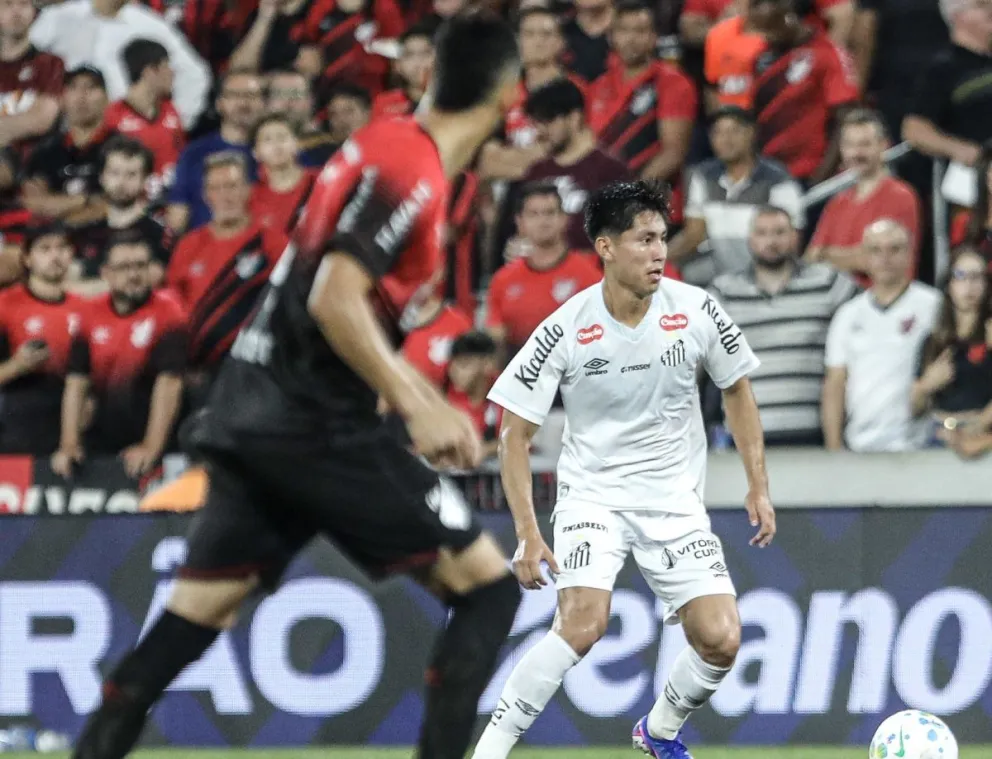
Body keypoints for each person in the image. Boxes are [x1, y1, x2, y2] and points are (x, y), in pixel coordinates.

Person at [70, 15, 523, 759]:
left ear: (428, 77)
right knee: (488, 590)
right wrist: (421, 398)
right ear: (508, 94)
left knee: (192, 620)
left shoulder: (378, 142)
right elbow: (333, 298)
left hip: (254, 410)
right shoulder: (411, 169)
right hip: (314, 422)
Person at [472, 180, 775, 759]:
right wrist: (528, 533)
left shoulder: (696, 308)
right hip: (594, 498)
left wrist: (758, 484)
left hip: (674, 502)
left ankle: (658, 733)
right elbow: (513, 432)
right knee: (583, 625)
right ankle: (489, 751)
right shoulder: (566, 325)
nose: (659, 251)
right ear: (606, 248)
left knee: (722, 639)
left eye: (662, 238)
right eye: (644, 240)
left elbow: (737, 389)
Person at [709, 206, 857, 445]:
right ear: (750, 239)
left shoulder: (828, 282)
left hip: (812, 432)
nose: (771, 241)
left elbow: (870, 319)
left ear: (795, 236)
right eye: (762, 233)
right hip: (744, 436)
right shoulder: (723, 292)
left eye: (779, 232)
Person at [52, 234, 187, 479]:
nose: (134, 275)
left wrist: (151, 446)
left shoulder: (169, 313)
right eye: (124, 267)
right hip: (102, 439)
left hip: (157, 445)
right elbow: (76, 383)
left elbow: (170, 383)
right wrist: (69, 444)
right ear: (106, 273)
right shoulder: (89, 315)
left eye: (141, 266)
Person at [822, 219, 941, 452]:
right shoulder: (848, 314)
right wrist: (833, 449)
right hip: (859, 445)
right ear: (864, 257)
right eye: (876, 250)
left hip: (917, 445)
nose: (885, 258)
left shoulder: (933, 306)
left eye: (894, 249)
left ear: (909, 253)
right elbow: (835, 383)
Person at [671, 105, 803, 287]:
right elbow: (694, 235)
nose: (725, 139)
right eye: (718, 133)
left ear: (751, 134)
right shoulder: (704, 176)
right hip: (719, 272)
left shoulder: (777, 179)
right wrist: (658, 259)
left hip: (765, 271)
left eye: (734, 131)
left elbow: (790, 241)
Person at [806, 109, 921, 284]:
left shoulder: (900, 196)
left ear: (883, 145)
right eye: (850, 145)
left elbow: (879, 260)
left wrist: (827, 254)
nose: (856, 153)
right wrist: (849, 256)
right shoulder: (838, 201)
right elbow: (811, 257)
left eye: (865, 144)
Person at [0, 223, 81, 455]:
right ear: (27, 258)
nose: (55, 256)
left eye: (62, 248)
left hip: (70, 424)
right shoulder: (5, 306)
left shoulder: (85, 309)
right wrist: (16, 366)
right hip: (15, 423)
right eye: (45, 249)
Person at [912, 246, 992, 441]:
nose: (969, 285)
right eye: (960, 275)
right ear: (949, 283)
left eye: (976, 277)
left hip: (982, 435)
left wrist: (979, 425)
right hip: (938, 433)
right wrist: (925, 385)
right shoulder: (933, 340)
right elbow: (914, 407)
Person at [103, 38, 185, 204]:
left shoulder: (171, 111)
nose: (172, 73)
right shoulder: (113, 116)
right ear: (149, 71)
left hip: (170, 202)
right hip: (133, 205)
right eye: (166, 66)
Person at [248, 113, 317, 233]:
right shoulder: (250, 199)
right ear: (255, 152)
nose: (276, 145)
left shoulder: (321, 182)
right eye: (267, 140)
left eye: (282, 137)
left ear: (297, 144)